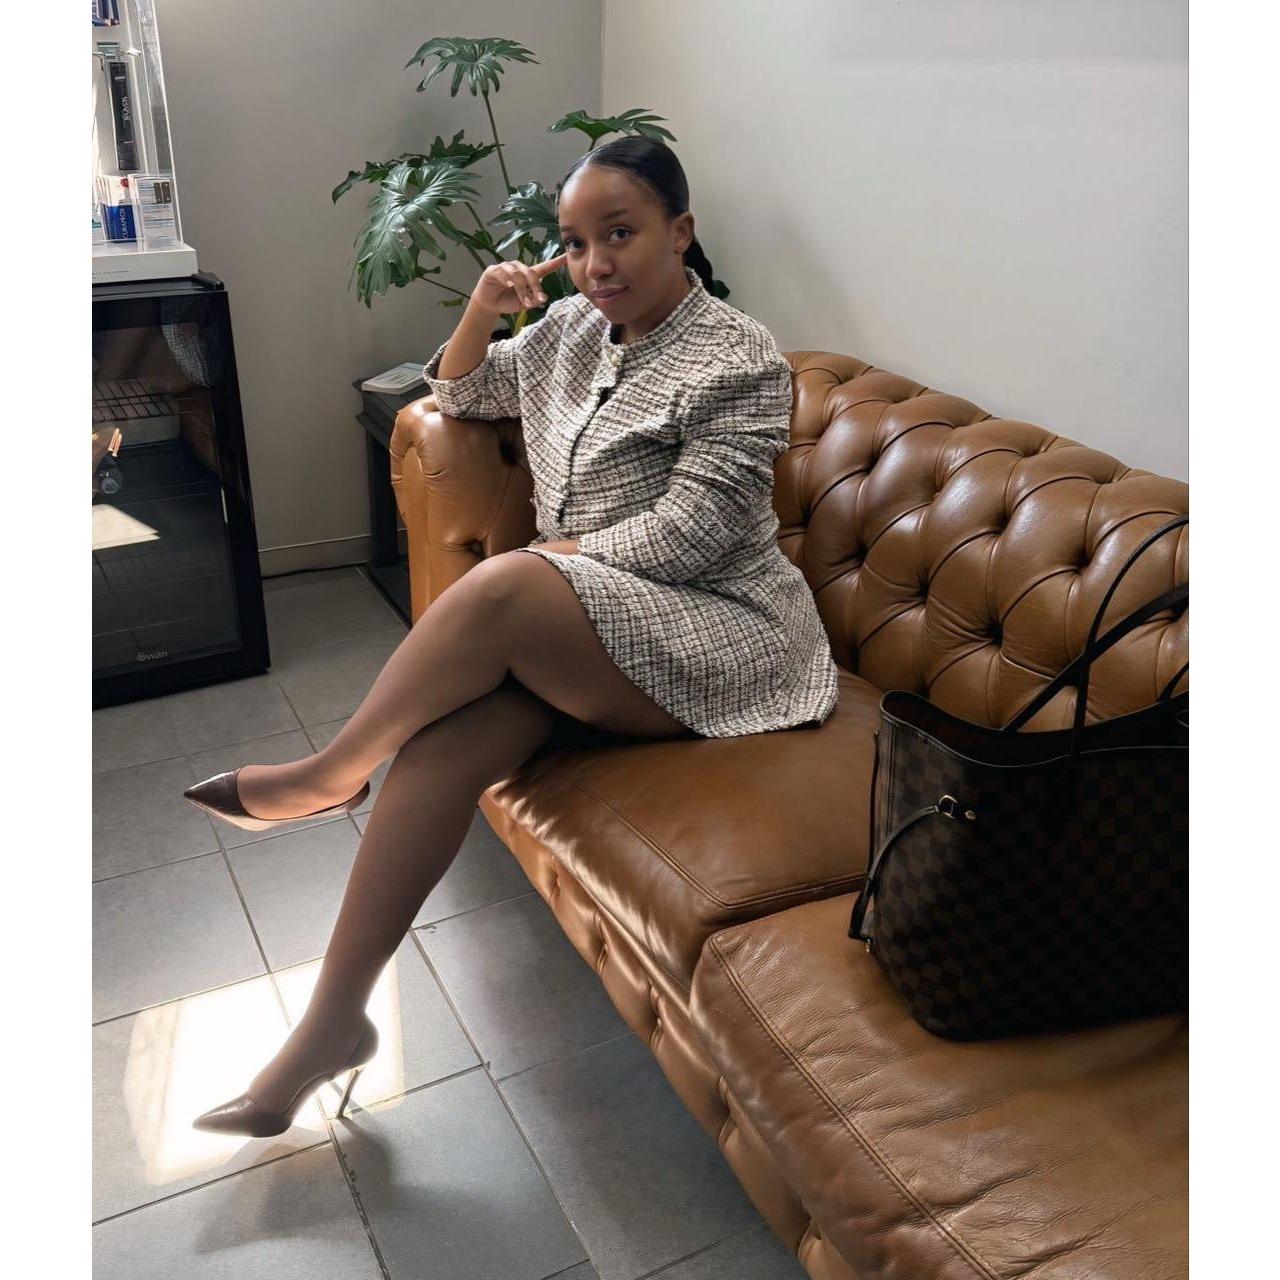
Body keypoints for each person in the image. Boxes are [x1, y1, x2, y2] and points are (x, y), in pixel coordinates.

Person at [184, 137, 840, 1137]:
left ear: (680, 232)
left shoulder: (737, 354)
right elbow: (459, 392)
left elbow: (696, 532)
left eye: (619, 234)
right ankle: (328, 1026)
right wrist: (483, 312)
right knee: (441, 750)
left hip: (722, 627)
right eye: (575, 244)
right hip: (594, 617)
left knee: (507, 585)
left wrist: (559, 558)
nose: (595, 264)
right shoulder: (570, 329)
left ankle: (325, 773)